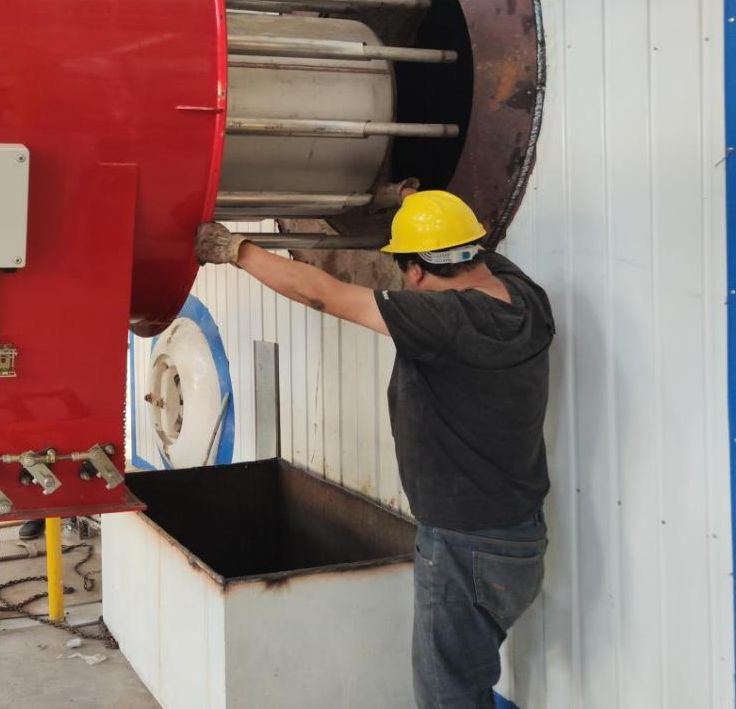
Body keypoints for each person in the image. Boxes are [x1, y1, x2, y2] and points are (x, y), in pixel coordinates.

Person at [195, 190, 554, 708]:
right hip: (517, 537)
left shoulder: (443, 319)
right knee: (469, 673)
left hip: (464, 546)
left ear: (415, 270)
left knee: (447, 692)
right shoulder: (525, 297)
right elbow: (465, 248)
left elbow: (324, 295)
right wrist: (413, 201)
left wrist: (236, 250)